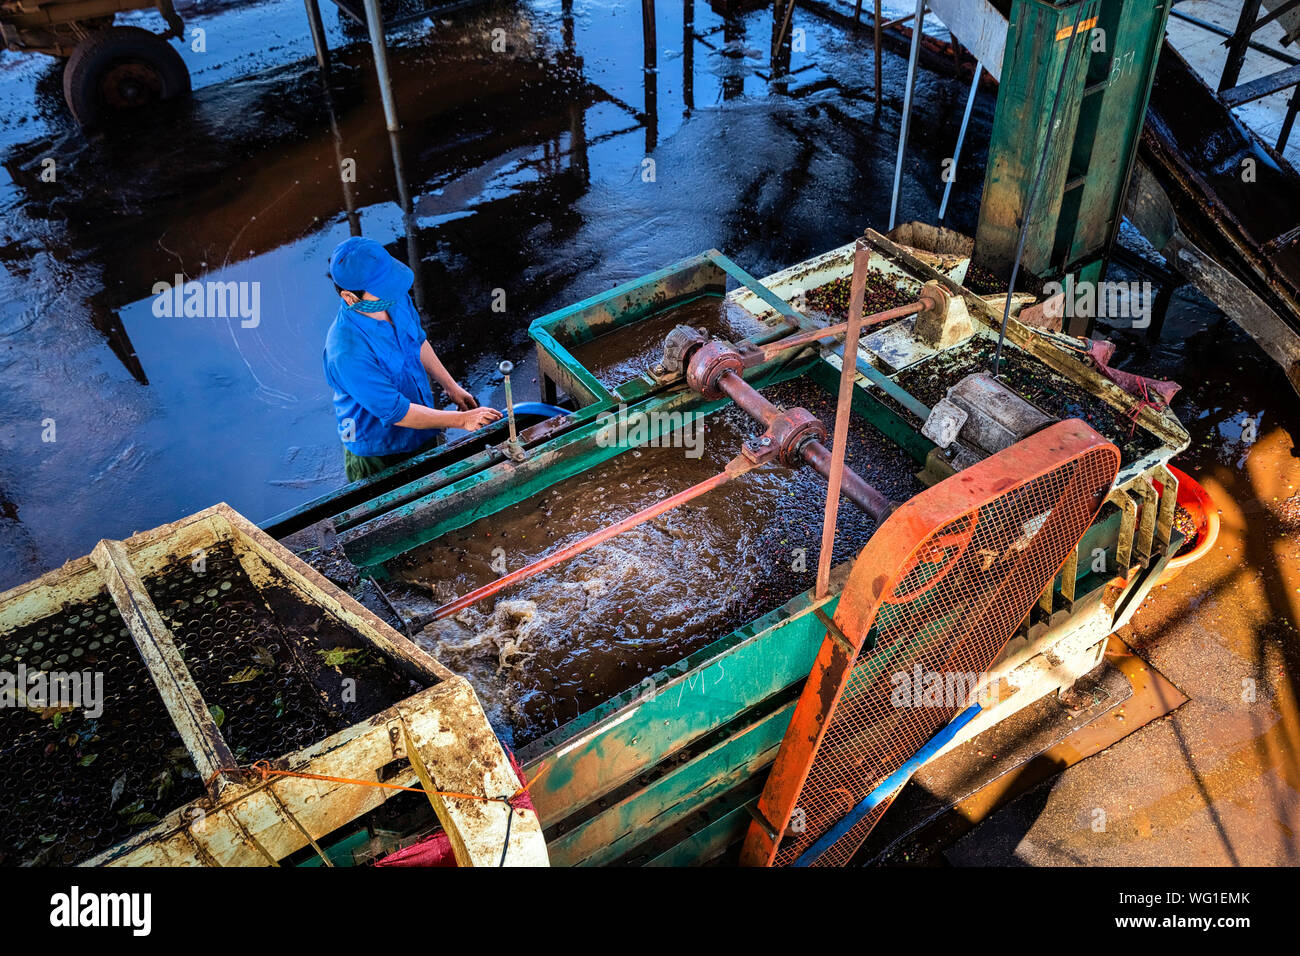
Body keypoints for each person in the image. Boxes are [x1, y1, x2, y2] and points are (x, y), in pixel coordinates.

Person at [323, 237, 501, 482]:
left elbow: (416, 341)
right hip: (380, 451)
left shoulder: (395, 300)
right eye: (381, 289)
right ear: (349, 297)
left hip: (422, 424)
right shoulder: (346, 351)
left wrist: (451, 386)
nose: (393, 293)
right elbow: (397, 411)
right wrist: (463, 420)